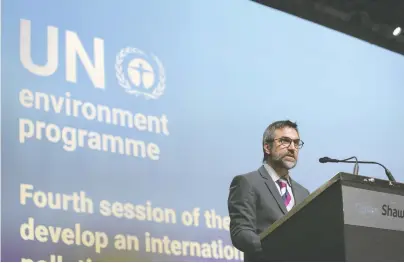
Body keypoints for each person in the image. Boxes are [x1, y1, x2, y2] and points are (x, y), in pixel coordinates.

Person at [227, 120, 310, 261]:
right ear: (267, 147)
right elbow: (241, 233)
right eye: (285, 141)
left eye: (296, 143)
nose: (292, 148)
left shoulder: (304, 193)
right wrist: (277, 250)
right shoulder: (247, 183)